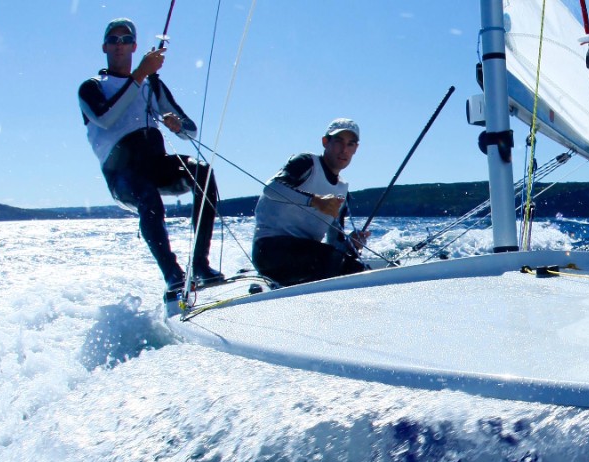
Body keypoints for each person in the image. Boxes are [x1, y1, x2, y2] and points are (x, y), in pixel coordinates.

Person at [78, 18, 224, 301]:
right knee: (146, 195)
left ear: (134, 46)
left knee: (202, 173)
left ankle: (200, 265)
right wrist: (140, 74)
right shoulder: (91, 87)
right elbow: (106, 118)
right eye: (113, 40)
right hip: (121, 173)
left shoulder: (152, 85)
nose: (119, 46)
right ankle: (172, 275)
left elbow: (190, 130)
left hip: (155, 163)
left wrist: (176, 123)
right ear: (104, 47)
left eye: (125, 40)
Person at [252, 119, 371, 287]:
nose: (344, 150)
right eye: (338, 142)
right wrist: (314, 201)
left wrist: (351, 243)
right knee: (345, 267)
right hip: (270, 250)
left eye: (350, 144)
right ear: (325, 142)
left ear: (356, 149)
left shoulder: (342, 191)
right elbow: (271, 188)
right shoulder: (306, 163)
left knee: (347, 262)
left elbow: (334, 242)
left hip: (307, 255)